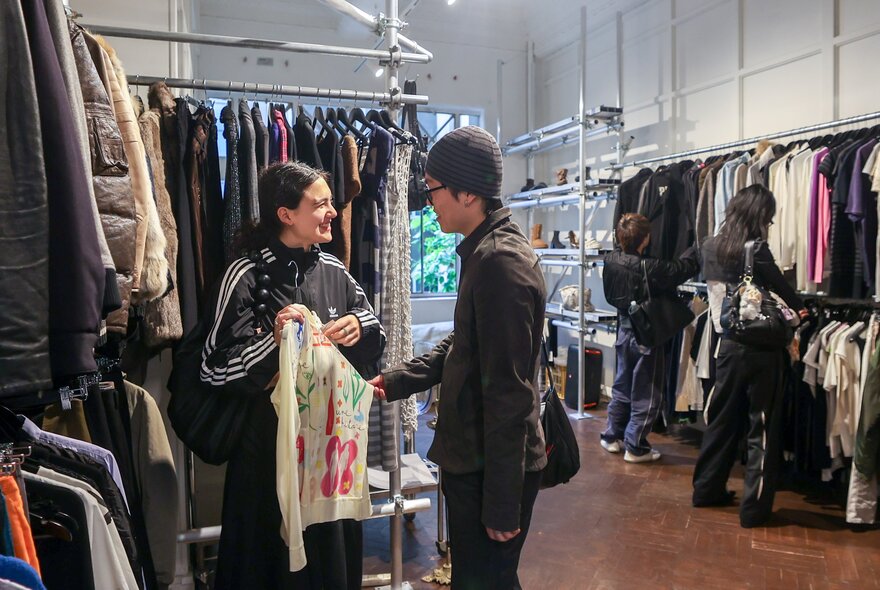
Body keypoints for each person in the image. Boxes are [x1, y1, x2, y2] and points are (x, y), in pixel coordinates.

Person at [368, 126, 547, 590]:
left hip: (491, 468)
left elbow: (510, 393)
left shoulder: (499, 263)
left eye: (433, 188)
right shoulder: (483, 251)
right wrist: (395, 380)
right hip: (477, 459)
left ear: (467, 192)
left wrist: (503, 503)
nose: (429, 200)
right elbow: (464, 344)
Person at [200, 161, 386, 589]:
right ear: (286, 215)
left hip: (328, 461)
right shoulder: (245, 275)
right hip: (266, 459)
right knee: (267, 568)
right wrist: (276, 342)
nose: (333, 212)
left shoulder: (335, 271)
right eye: (320, 204)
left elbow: (375, 331)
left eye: (330, 204)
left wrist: (360, 328)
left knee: (328, 568)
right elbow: (213, 367)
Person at [692, 184, 807, 528]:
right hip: (762, 351)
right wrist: (802, 312)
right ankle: (754, 510)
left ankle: (706, 489)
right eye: (768, 218)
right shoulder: (755, 250)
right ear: (759, 216)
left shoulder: (711, 245)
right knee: (761, 427)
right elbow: (784, 291)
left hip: (726, 346)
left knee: (722, 421)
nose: (769, 224)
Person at [601, 213, 700, 462]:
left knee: (622, 385)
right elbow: (682, 269)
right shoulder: (650, 267)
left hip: (623, 330)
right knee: (647, 390)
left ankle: (611, 435)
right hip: (646, 334)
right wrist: (698, 246)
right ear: (645, 239)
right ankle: (635, 445)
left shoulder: (611, 260)